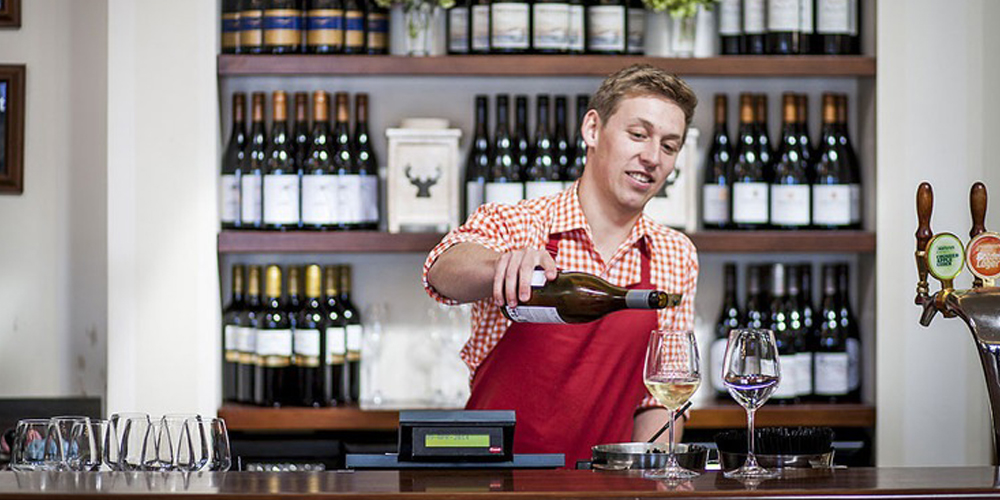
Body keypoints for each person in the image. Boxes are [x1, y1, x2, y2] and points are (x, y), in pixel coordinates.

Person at [422, 64, 699, 465]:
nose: (652, 157)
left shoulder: (674, 253)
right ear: (592, 130)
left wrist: (646, 478)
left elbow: (659, 398)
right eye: (637, 135)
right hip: (494, 484)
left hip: (606, 488)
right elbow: (441, 271)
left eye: (669, 146)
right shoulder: (519, 224)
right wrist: (502, 266)